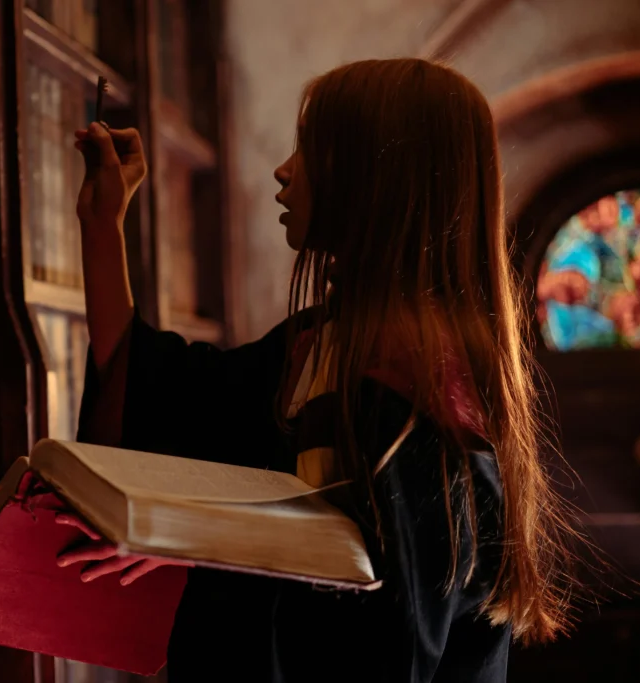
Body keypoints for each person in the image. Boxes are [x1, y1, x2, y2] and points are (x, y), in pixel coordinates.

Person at [61, 59, 581, 682]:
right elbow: (172, 393)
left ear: (374, 176)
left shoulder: (416, 390)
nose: (283, 172)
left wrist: (213, 553)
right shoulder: (326, 340)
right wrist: (102, 225)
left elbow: (387, 654)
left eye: (309, 150)